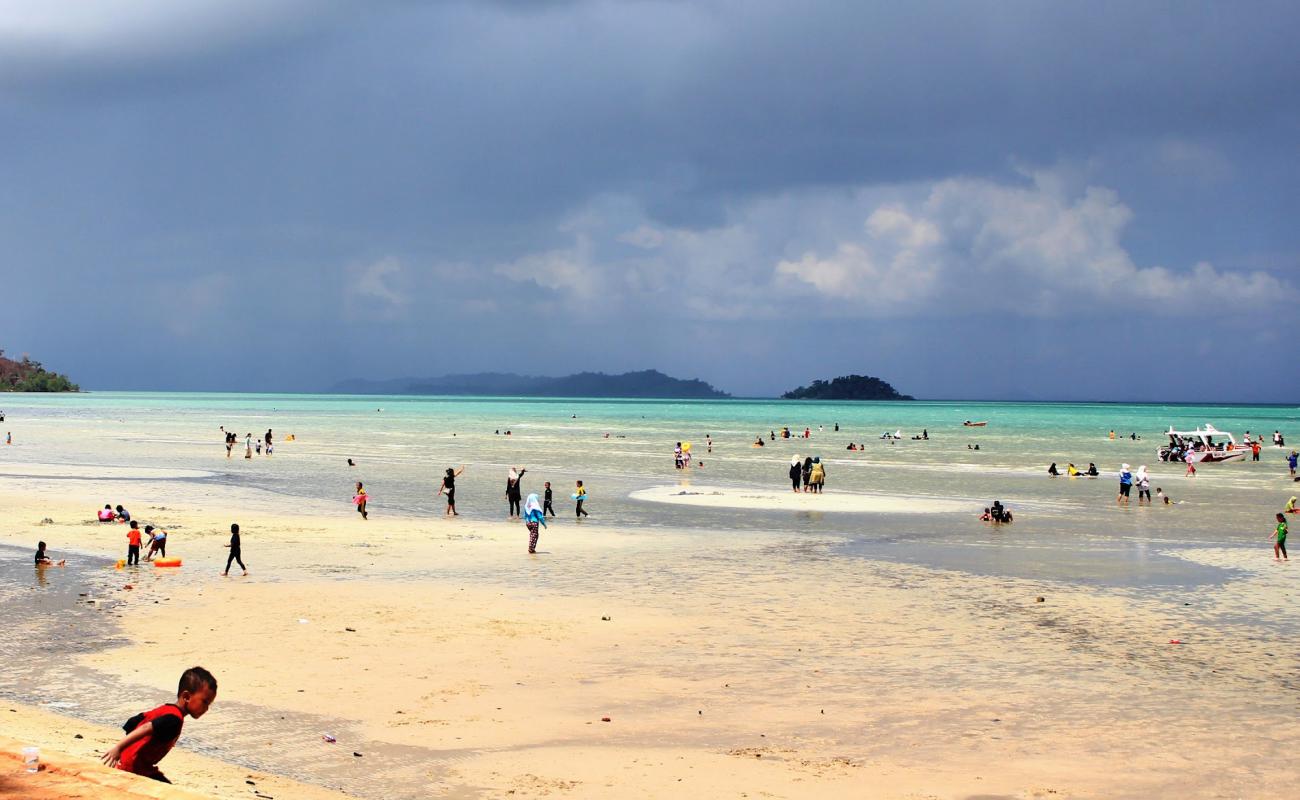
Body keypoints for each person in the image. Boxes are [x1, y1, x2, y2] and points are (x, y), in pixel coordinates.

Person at [102, 667, 217, 783]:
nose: (206, 708)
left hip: (133, 764)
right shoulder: (174, 720)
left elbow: (132, 722)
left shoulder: (164, 710)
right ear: (186, 697)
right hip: (136, 769)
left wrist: (128, 752)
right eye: (205, 702)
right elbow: (145, 727)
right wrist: (118, 748)